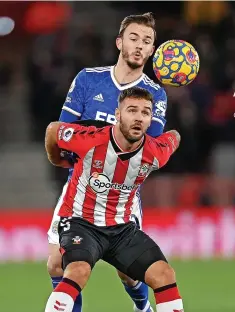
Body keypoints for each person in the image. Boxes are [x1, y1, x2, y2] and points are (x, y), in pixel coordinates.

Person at [46, 12, 168, 312]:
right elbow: (63, 131)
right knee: (57, 265)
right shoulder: (88, 79)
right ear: (119, 42)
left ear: (153, 50)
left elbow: (147, 152)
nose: (140, 45)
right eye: (134, 38)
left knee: (128, 272)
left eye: (147, 41)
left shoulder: (155, 94)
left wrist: (97, 139)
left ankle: (143, 308)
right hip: (80, 187)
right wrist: (62, 159)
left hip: (121, 195)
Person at [44, 87, 182, 312]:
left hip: (121, 229)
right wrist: (59, 161)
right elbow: (53, 131)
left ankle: (142, 307)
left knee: (164, 275)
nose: (138, 118)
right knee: (77, 271)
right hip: (81, 221)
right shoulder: (90, 140)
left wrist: (174, 136)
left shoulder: (155, 153)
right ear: (118, 115)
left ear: (150, 121)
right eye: (132, 110)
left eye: (145, 113)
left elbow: (174, 137)